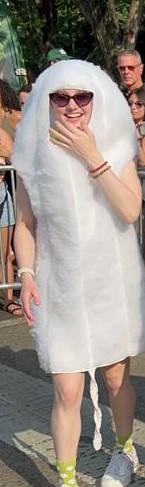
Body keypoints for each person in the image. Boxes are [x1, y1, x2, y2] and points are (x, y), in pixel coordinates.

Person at [13, 60, 145, 487]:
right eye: (61, 97)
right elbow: (25, 225)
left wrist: (92, 156)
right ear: (46, 102)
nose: (72, 105)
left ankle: (125, 448)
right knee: (67, 387)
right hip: (58, 281)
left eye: (82, 97)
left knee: (116, 379)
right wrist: (28, 271)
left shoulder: (115, 145)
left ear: (95, 100)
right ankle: (67, 483)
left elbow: (131, 210)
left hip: (109, 279)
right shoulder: (32, 151)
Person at [0, 81, 22, 316]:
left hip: (2, 198)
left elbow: (15, 160)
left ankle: (7, 297)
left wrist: (7, 158)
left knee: (5, 251)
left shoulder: (5, 135)